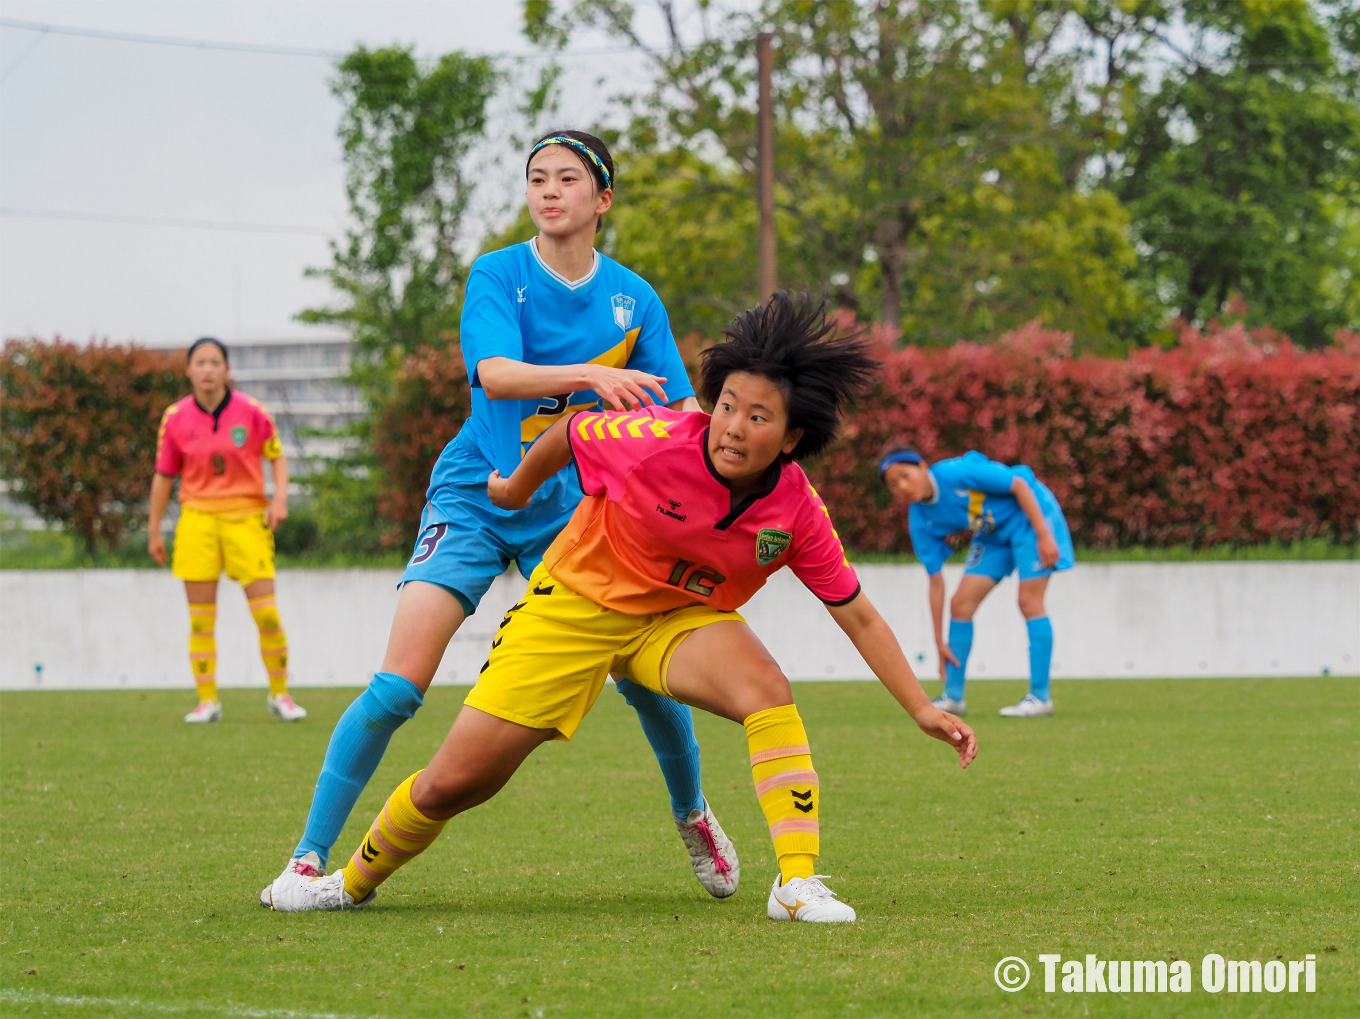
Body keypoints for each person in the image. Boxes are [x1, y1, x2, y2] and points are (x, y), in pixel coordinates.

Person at [261, 293, 978, 923]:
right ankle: (347, 884)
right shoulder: (655, 442)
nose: (732, 426)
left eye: (758, 416)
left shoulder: (795, 509)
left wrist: (920, 707)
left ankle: (796, 882)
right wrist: (510, 490)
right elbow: (571, 433)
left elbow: (855, 611)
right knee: (456, 781)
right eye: (726, 404)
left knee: (767, 687)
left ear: (791, 438)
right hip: (573, 607)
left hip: (675, 621)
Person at [261, 130, 739, 903]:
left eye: (568, 179)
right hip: (475, 495)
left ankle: (693, 814)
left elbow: (680, 408)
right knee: (397, 687)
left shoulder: (633, 297)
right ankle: (309, 857)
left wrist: (731, 458)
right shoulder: (499, 274)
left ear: (602, 199)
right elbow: (495, 374)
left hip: (575, 509)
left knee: (642, 674)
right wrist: (590, 373)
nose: (550, 190)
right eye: (537, 178)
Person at [148, 337, 307, 724]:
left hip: (247, 518)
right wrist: (154, 529)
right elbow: (164, 476)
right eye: (199, 362)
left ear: (227, 369)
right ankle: (207, 701)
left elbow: (278, 458)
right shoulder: (174, 418)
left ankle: (280, 694)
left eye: (214, 362)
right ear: (188, 370)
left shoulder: (252, 412)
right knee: (201, 618)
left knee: (267, 615)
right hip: (197, 520)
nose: (207, 370)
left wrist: (280, 499)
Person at [878, 447, 1075, 717]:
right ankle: (954, 697)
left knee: (1029, 602)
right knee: (960, 605)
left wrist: (1044, 535)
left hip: (1030, 518)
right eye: (893, 484)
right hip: (992, 533)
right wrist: (938, 642)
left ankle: (1040, 698)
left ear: (923, 467)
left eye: (905, 475)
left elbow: (1018, 485)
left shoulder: (955, 472)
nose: (902, 486)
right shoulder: (920, 520)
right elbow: (935, 582)